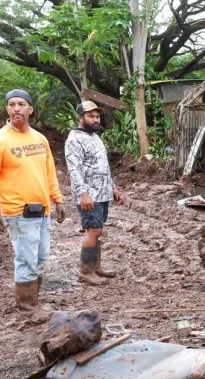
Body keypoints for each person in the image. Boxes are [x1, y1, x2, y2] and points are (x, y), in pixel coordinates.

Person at [0, 89, 66, 324]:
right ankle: (28, 309)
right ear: (7, 109)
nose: (16, 108)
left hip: (42, 210)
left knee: (40, 258)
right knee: (26, 259)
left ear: (30, 109)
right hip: (17, 211)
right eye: (11, 104)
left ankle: (34, 302)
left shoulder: (39, 139)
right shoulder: (3, 139)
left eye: (21, 104)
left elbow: (49, 172)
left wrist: (57, 198)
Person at [64, 101, 122, 286]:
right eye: (91, 116)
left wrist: (112, 187)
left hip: (102, 192)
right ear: (80, 118)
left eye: (97, 116)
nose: (95, 120)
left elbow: (102, 166)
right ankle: (86, 271)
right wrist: (82, 194)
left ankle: (96, 267)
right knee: (93, 230)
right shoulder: (74, 139)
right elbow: (74, 170)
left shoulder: (95, 137)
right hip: (89, 195)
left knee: (98, 230)